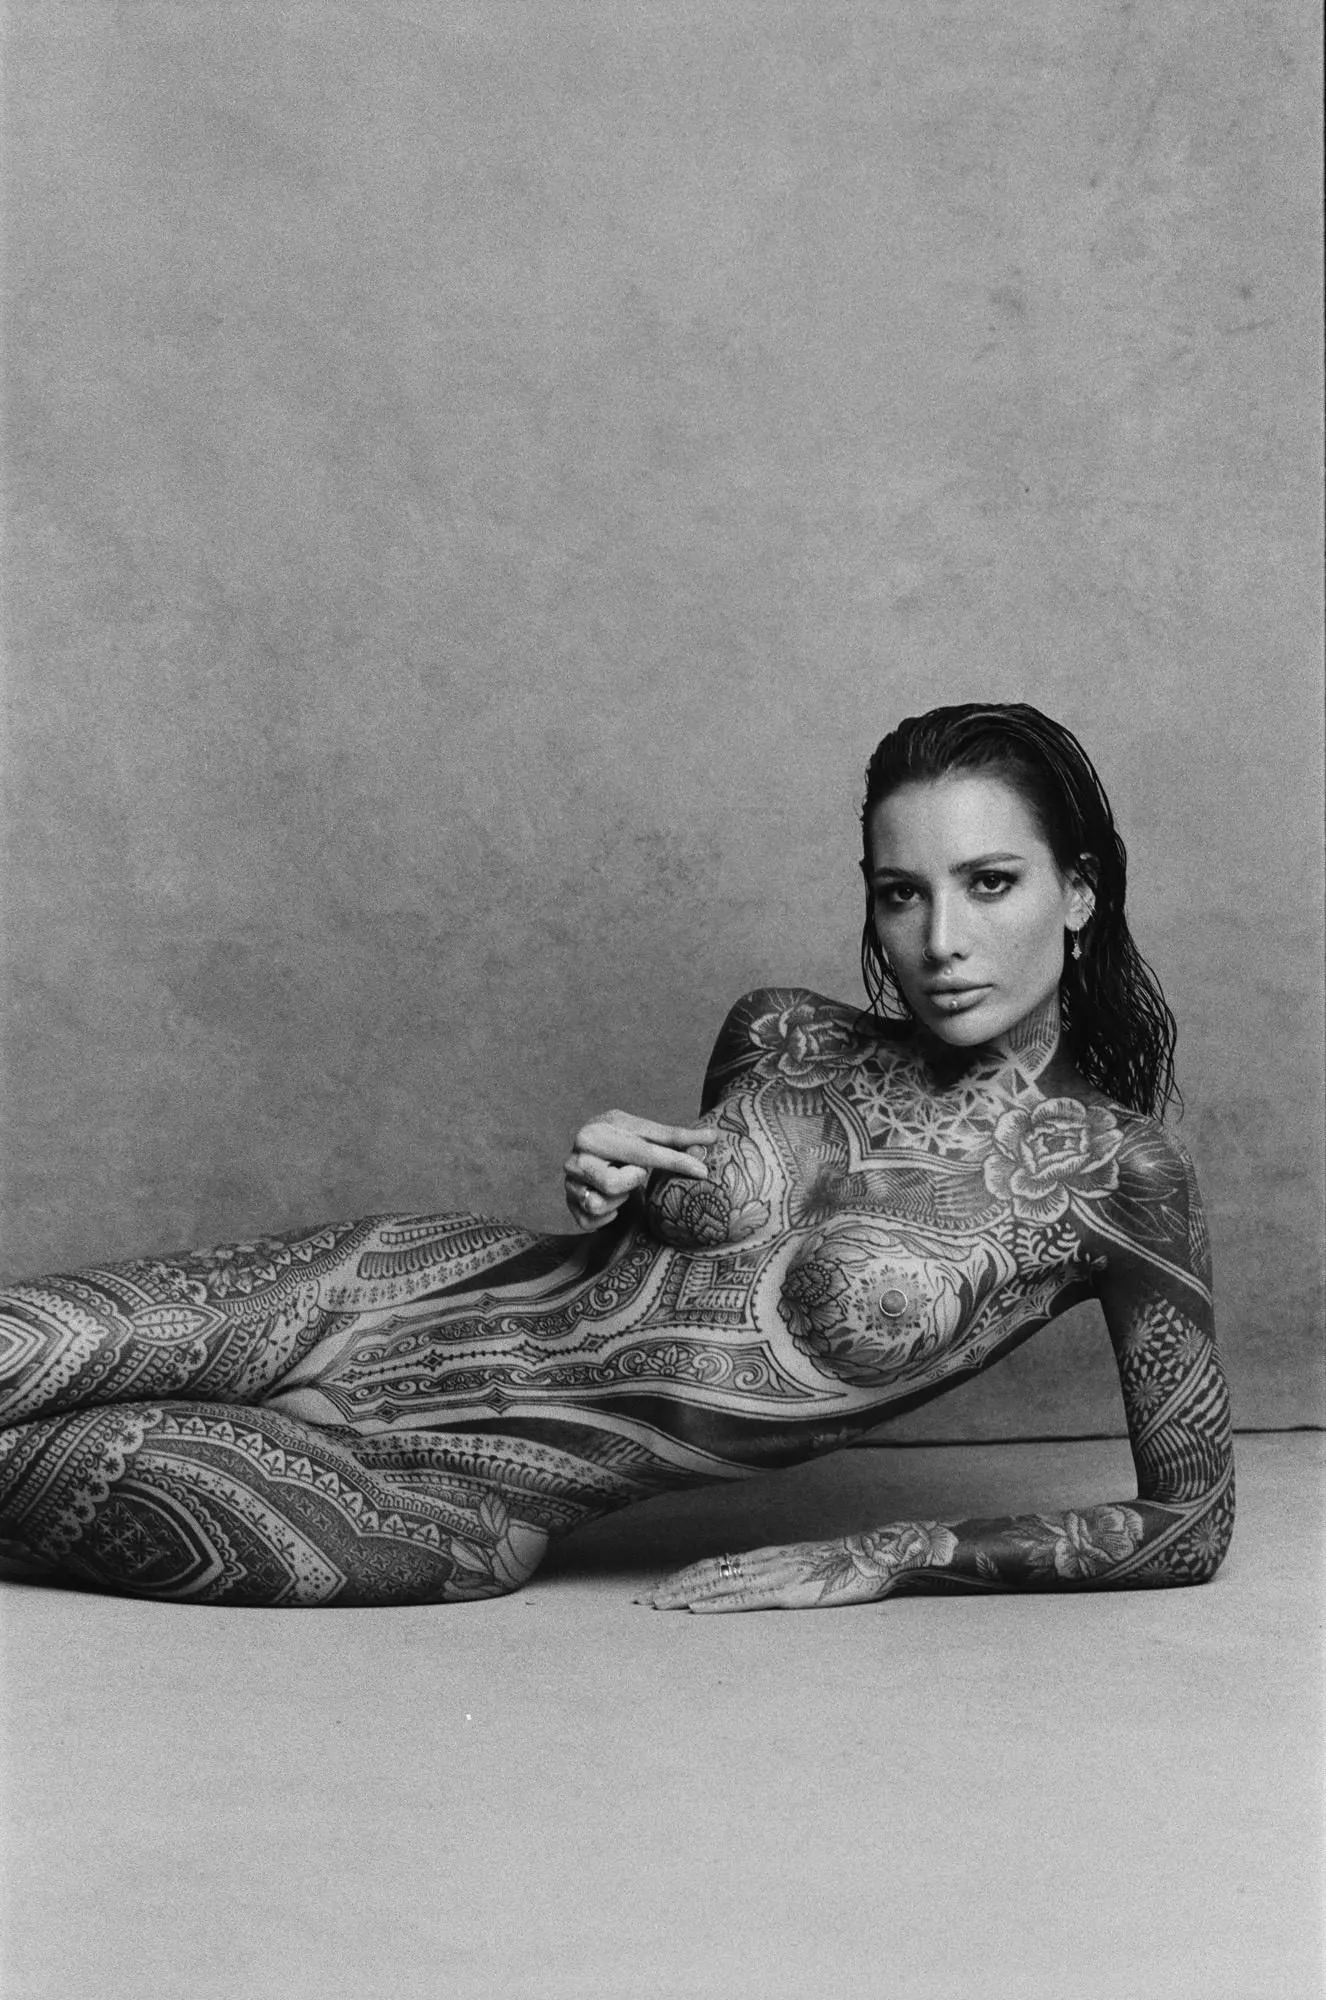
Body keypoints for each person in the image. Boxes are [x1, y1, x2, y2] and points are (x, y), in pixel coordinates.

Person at [0, 704, 1233, 1611]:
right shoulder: (781, 1032)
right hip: (378, 1289)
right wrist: (616, 1188)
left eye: (991, 882)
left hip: (446, 1502)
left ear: (1078, 893)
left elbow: (1188, 1519)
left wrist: (887, 1552)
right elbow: (656, 1275)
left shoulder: (1119, 1180)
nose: (942, 938)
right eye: (902, 892)